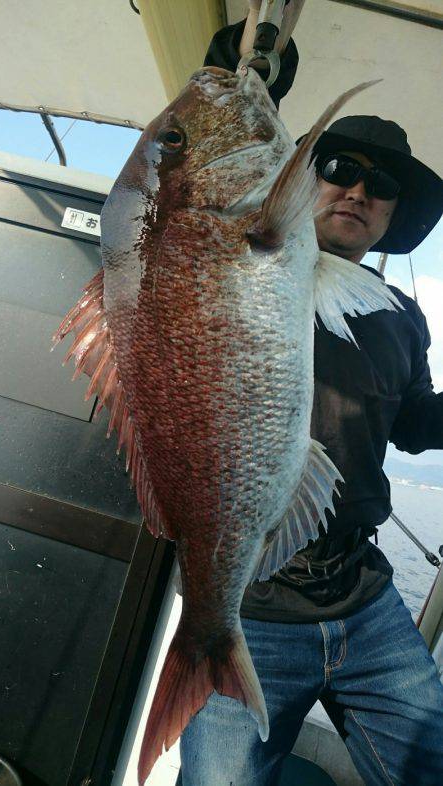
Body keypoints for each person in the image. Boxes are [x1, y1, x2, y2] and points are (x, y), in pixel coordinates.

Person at [177, 3, 443, 784]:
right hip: (254, 604)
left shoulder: (399, 314)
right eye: (337, 168)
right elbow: (207, 187)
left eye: (381, 184)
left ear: (392, 215)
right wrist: (236, 73)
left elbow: (416, 425)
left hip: (365, 596)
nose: (358, 190)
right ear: (302, 178)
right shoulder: (248, 258)